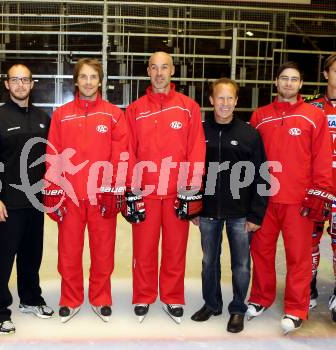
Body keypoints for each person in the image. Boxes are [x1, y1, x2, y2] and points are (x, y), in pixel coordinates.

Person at [247, 61, 334, 334]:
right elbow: (249, 159)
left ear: (301, 84)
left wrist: (319, 192)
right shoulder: (260, 116)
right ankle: (261, 298)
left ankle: (296, 309)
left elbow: (322, 157)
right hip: (265, 199)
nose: (288, 83)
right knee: (261, 252)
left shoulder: (313, 115)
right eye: (284, 78)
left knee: (299, 257)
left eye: (294, 79)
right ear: (276, 82)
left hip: (299, 201)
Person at [43, 58, 127, 323]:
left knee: (103, 251)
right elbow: (53, 154)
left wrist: (114, 189)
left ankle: (101, 297)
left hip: (101, 196)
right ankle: (70, 297)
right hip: (71, 197)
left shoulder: (114, 114)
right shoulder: (61, 114)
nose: (89, 82)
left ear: (100, 81)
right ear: (76, 81)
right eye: (84, 77)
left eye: (93, 77)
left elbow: (121, 154)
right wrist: (53, 189)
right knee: (68, 251)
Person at [124, 51, 205, 324]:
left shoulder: (188, 107)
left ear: (172, 71)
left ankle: (172, 296)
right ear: (148, 71)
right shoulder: (135, 109)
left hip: (175, 193)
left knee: (174, 249)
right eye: (154, 68)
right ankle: (143, 295)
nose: (159, 73)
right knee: (144, 249)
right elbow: (128, 150)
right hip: (146, 192)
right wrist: (132, 190)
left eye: (164, 68)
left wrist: (191, 189)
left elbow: (196, 149)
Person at [0, 63, 54, 334]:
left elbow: (49, 160)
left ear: (32, 84)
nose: (21, 85)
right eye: (15, 80)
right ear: (7, 85)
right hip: (7, 204)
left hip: (35, 202)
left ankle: (31, 298)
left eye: (25, 80)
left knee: (31, 255)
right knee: (2, 258)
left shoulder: (44, 118)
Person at [190, 78, 268, 333]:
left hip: (240, 213)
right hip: (208, 212)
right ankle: (211, 304)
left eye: (229, 98)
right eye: (219, 98)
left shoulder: (250, 134)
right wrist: (193, 207)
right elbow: (190, 171)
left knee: (241, 264)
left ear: (236, 101)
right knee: (209, 261)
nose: (224, 103)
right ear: (211, 100)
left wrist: (256, 214)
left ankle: (237, 309)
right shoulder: (198, 132)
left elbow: (262, 176)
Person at [305, 53, 336, 322]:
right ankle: (308, 287)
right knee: (308, 242)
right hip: (315, 191)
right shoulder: (310, 109)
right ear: (326, 74)